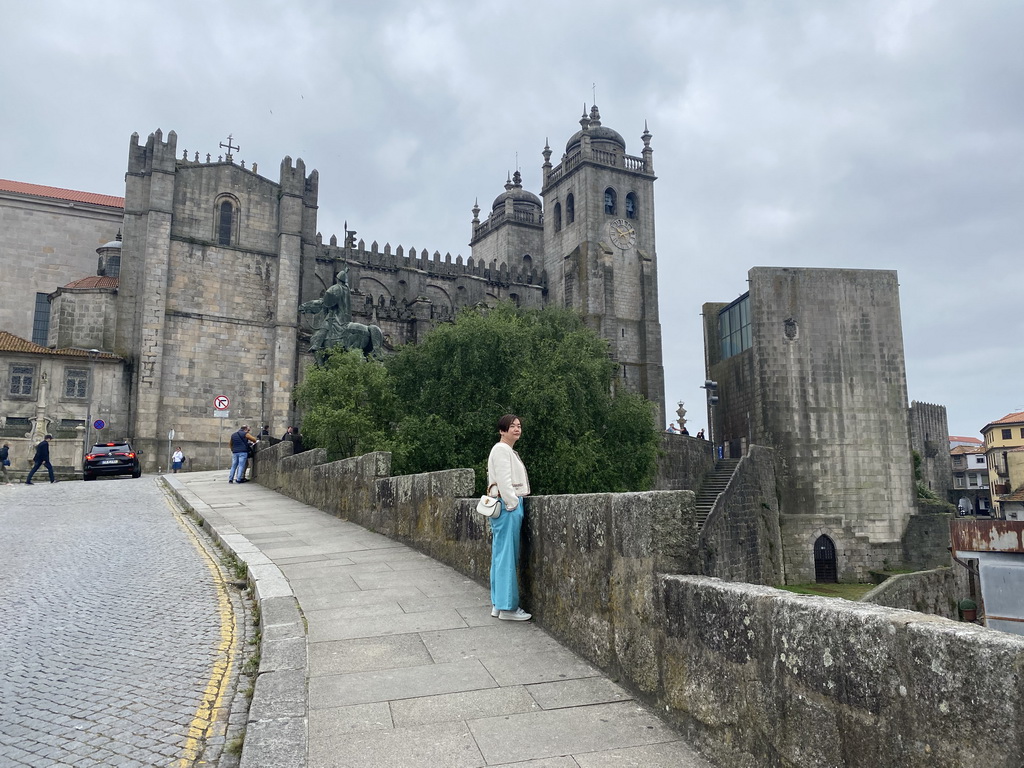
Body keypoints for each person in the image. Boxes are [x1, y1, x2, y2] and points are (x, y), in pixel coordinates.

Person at [486, 414, 532, 622]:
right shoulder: (502, 450)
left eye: (519, 426)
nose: (516, 429)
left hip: (501, 506)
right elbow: (504, 480)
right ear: (502, 431)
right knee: (507, 556)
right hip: (507, 507)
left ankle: (498, 604)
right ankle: (507, 608)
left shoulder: (503, 450)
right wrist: (513, 503)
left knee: (500, 554)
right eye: (511, 426)